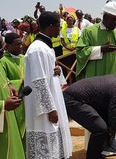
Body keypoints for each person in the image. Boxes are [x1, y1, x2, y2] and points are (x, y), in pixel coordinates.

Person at [24, 11, 72, 158]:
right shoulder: (38, 49)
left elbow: (48, 74)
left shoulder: (46, 47)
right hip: (43, 109)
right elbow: (39, 81)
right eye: (58, 26)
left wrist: (57, 71)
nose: (60, 29)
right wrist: (50, 109)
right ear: (50, 26)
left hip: (53, 98)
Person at [76, 1, 116, 81]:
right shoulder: (89, 32)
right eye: (113, 19)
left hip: (114, 78)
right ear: (105, 16)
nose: (115, 23)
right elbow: (80, 52)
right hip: (95, 78)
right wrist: (100, 49)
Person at [0, 34, 25, 159]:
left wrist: (9, 85)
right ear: (7, 46)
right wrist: (20, 83)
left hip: (18, 104)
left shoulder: (24, 58)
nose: (21, 47)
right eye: (17, 44)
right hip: (7, 109)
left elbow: (5, 81)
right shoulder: (3, 60)